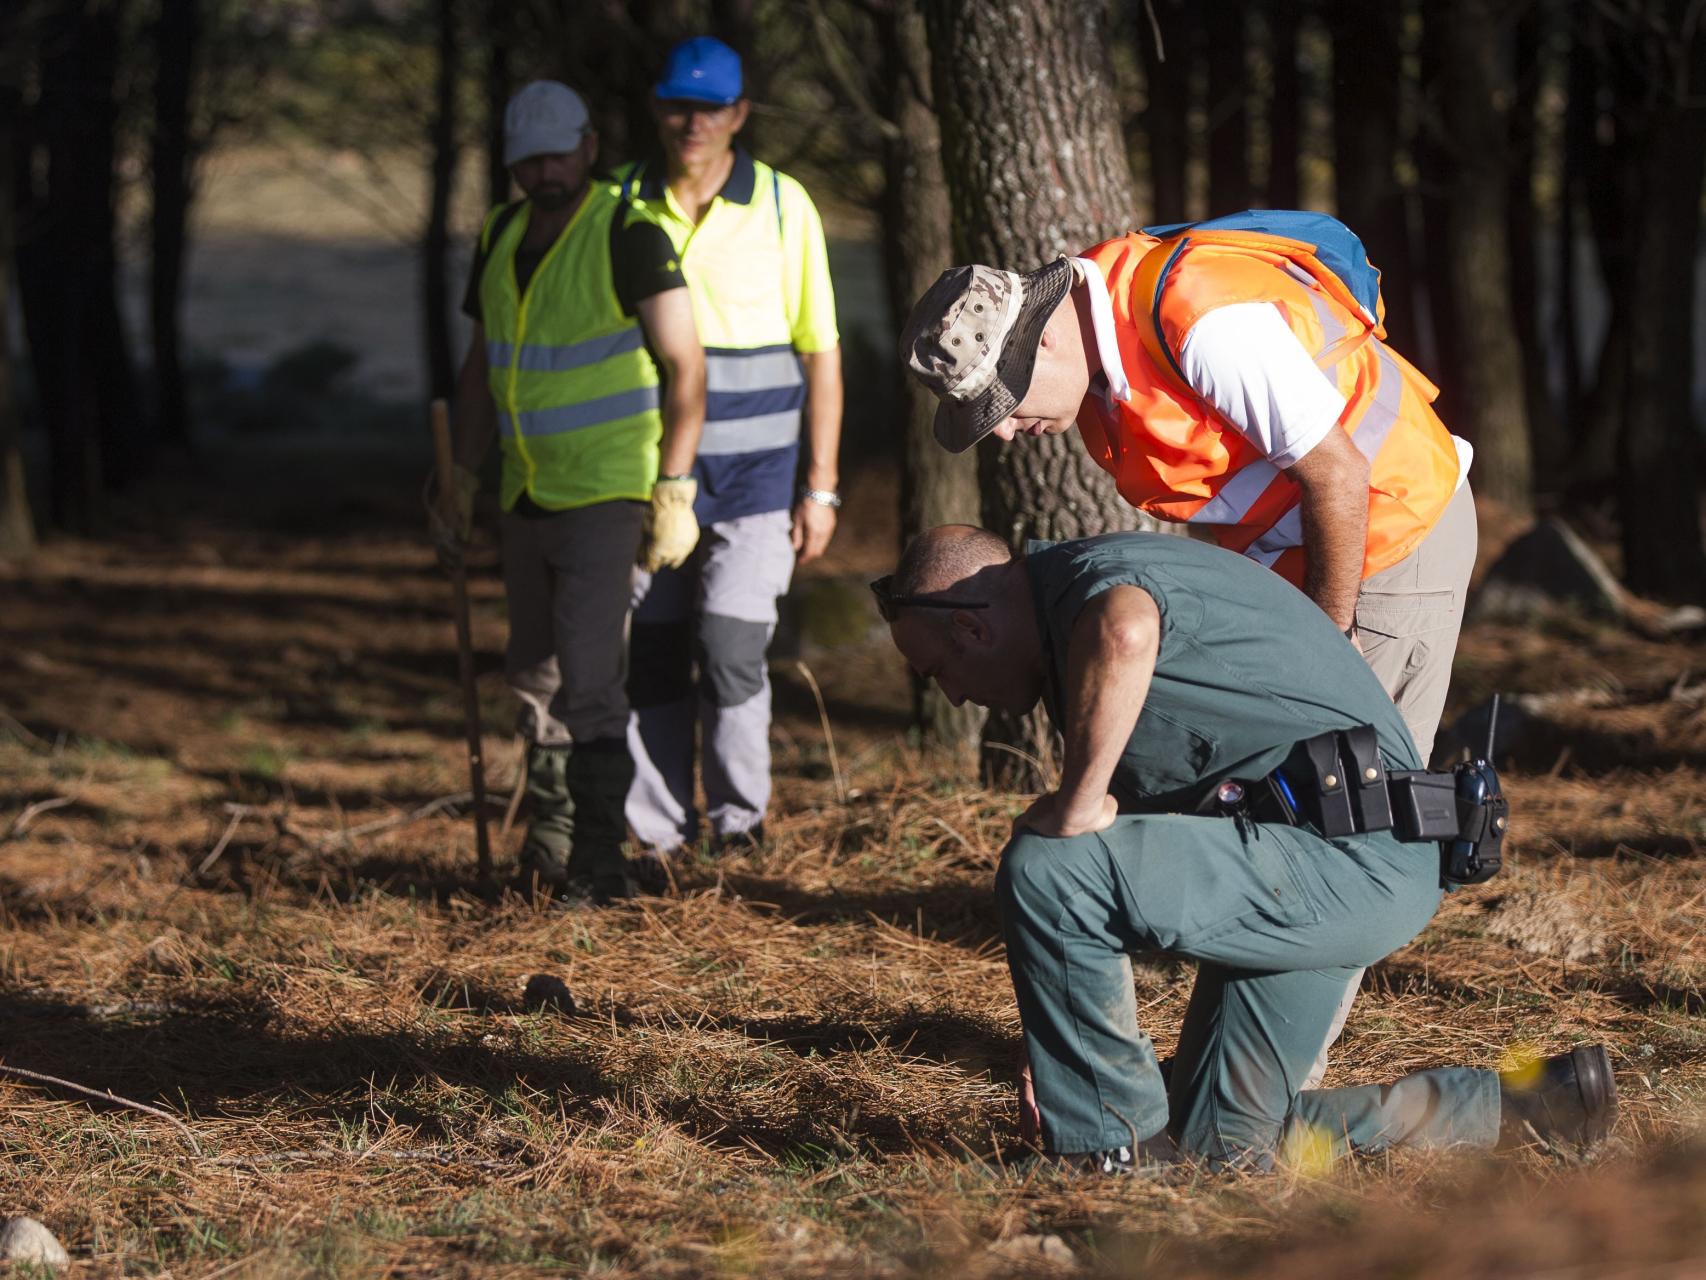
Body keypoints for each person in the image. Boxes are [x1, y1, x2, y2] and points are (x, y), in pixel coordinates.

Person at [900, 223, 1477, 1084]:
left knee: (1344, 812)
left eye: (1009, 403)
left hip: (1388, 539)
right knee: (1276, 813)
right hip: (1300, 558)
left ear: (1047, 335)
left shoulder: (1198, 318)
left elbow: (1339, 475)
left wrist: (1322, 653)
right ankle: (1224, 1084)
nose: (1010, 434)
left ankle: (1274, 1093)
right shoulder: (1102, 373)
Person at [875, 524, 1616, 1172]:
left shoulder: (1085, 590)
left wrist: (1078, 799)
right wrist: (1064, 1051)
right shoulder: (1073, 601)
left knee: (1047, 866)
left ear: (972, 628)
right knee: (1219, 1145)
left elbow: (1126, 628)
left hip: (1346, 857)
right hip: (1346, 860)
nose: (952, 697)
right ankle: (1528, 1107)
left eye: (938, 672)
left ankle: (1111, 1159)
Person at [430, 80, 706, 903]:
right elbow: (483, 369)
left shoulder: (630, 234)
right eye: (528, 160)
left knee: (589, 679)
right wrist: (462, 478)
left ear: (588, 148)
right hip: (525, 492)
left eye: (557, 154)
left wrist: (673, 486)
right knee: (533, 675)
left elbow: (686, 367)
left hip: (607, 493)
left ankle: (599, 861)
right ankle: (548, 843)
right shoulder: (501, 233)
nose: (543, 172)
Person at [615, 36, 844, 855]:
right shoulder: (618, 201)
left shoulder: (785, 205)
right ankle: (657, 837)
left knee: (730, 648)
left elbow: (822, 351)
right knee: (654, 654)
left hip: (760, 479)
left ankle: (739, 827)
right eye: (679, 104)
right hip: (649, 473)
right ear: (656, 106)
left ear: (739, 114)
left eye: (710, 107)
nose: (692, 122)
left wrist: (820, 488)